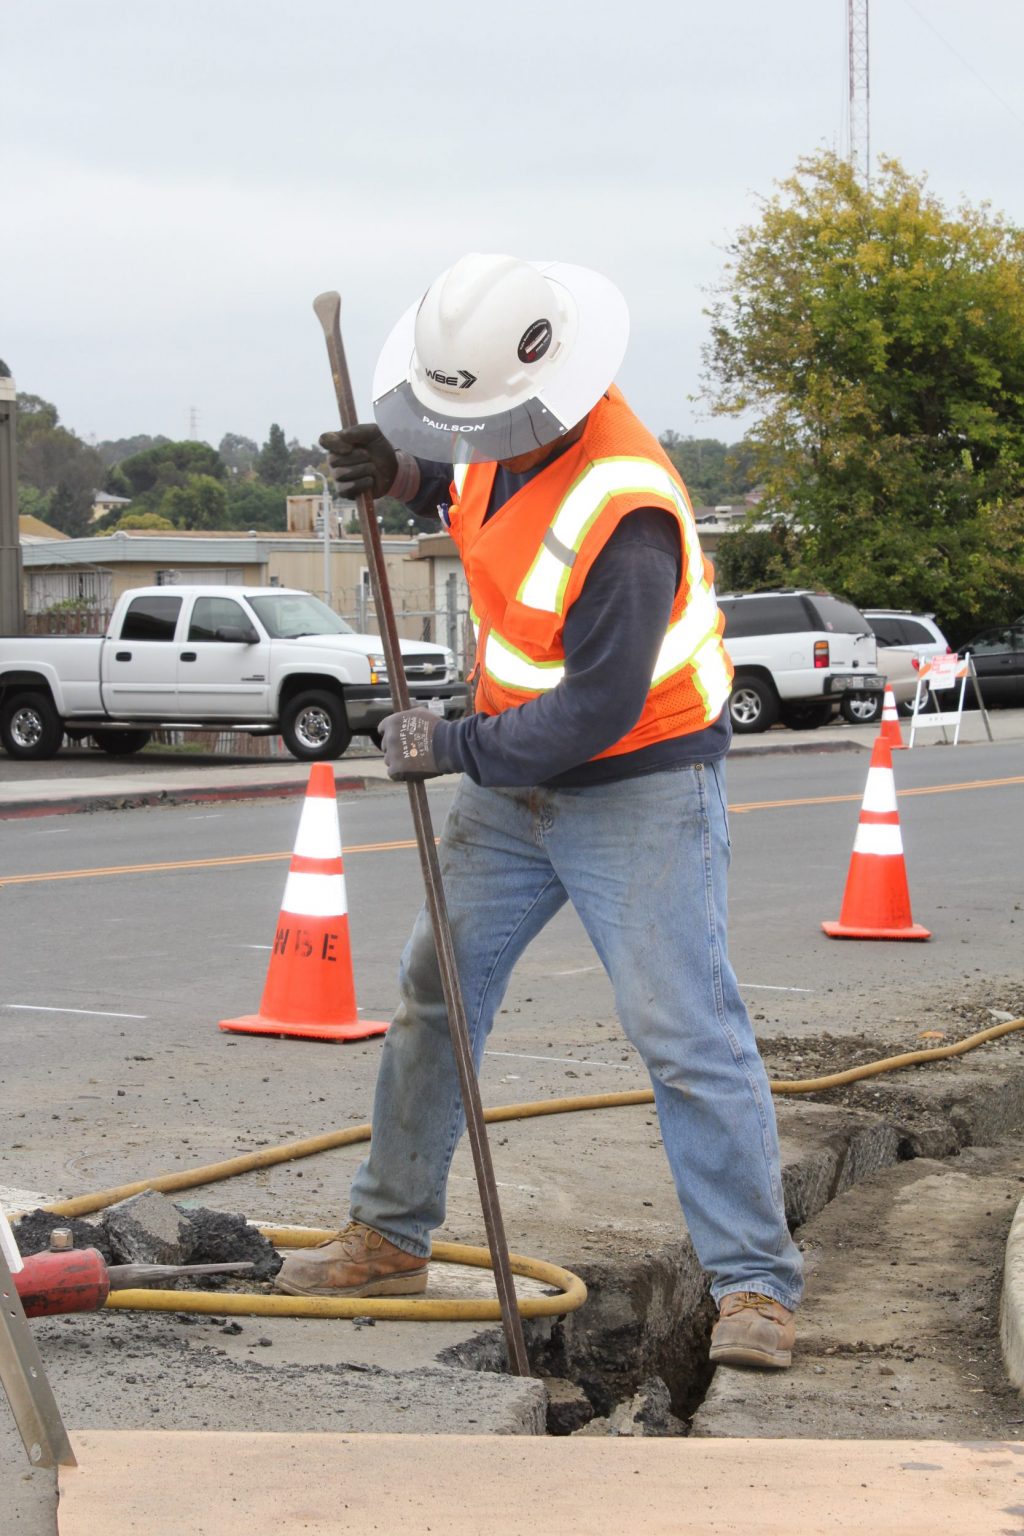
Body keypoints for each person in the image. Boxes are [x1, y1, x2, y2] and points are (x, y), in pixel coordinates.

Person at [274, 254, 804, 1368]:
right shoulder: (498, 441)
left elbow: (595, 714)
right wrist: (403, 472)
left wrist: (444, 742)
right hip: (510, 792)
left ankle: (754, 1288)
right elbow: (474, 492)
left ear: (543, 392)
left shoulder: (628, 509)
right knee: (435, 995)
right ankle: (389, 1233)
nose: (465, 441)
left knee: (684, 1033)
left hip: (637, 784)